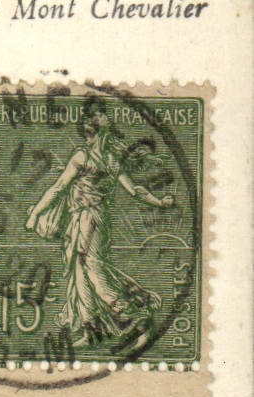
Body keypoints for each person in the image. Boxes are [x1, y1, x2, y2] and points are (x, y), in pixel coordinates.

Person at [25, 111, 174, 348]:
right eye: (86, 134)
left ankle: (138, 320)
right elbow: (135, 189)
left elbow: (59, 187)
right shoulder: (111, 160)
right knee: (79, 271)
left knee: (91, 268)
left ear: (100, 135)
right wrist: (159, 202)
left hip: (89, 219)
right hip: (85, 219)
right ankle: (91, 330)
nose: (87, 138)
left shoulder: (83, 158)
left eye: (90, 134)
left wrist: (35, 213)